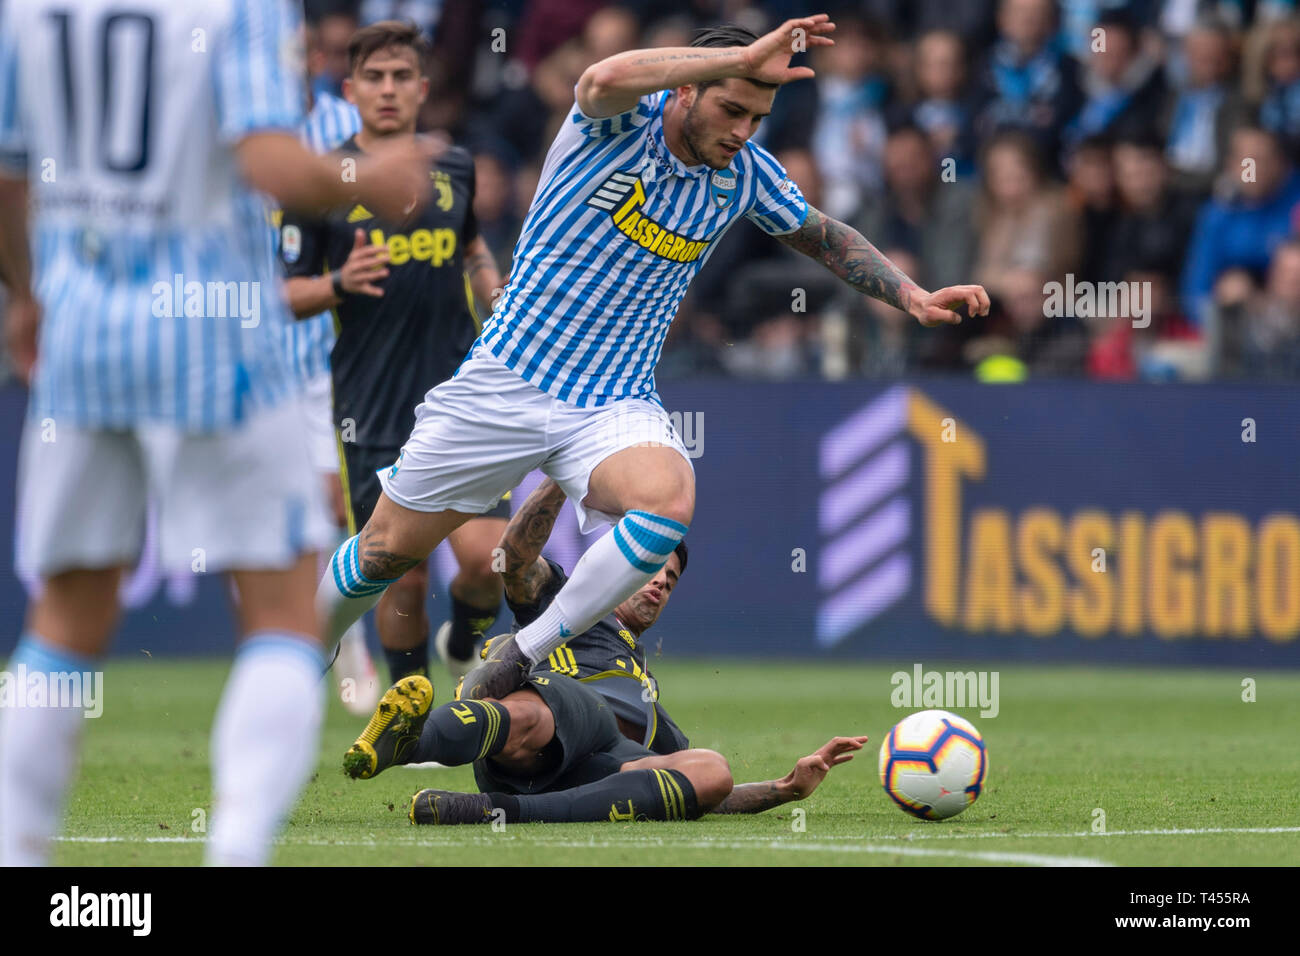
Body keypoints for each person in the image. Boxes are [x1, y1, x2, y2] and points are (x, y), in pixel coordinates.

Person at [313, 15, 990, 711]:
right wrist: (742, 54)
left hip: (612, 403)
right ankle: (309, 647)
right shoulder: (613, 125)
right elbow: (600, 77)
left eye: (756, 117)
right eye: (730, 109)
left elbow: (821, 234)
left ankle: (524, 651)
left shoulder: (745, 174)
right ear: (685, 92)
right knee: (382, 553)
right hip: (507, 380)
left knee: (669, 498)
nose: (742, 131)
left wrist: (909, 294)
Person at [0, 0, 432, 866]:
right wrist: (370, 181)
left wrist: (26, 293)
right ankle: (234, 854)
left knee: (63, 618)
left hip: (84, 329)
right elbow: (267, 158)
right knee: (279, 613)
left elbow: (11, 172)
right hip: (214, 335)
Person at [282, 21, 509, 684]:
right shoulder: (321, 182)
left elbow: (470, 249)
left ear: (423, 89)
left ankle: (465, 642)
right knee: (399, 579)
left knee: (487, 560)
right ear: (349, 91)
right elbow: (282, 293)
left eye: (401, 77)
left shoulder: (455, 165)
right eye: (374, 78)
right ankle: (409, 720)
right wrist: (337, 283)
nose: (388, 90)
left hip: (462, 395)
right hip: (372, 402)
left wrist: (492, 288)